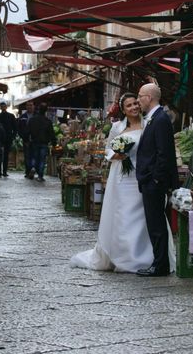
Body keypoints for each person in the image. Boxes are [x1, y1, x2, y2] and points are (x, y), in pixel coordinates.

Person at [70, 93, 175, 273]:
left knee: (144, 216)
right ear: (123, 110)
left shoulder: (147, 123)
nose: (134, 107)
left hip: (141, 175)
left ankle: (148, 255)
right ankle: (123, 254)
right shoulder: (117, 127)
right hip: (122, 177)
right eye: (129, 105)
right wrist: (117, 155)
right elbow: (108, 149)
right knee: (123, 214)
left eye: (136, 103)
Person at [135, 83, 179, 277]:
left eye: (140, 96)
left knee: (157, 224)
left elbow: (164, 154)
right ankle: (158, 261)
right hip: (150, 180)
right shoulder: (154, 118)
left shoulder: (160, 119)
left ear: (149, 98)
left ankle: (160, 265)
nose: (138, 100)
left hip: (154, 182)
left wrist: (156, 180)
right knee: (154, 224)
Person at [27, 103, 56, 182]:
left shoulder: (32, 119)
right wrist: (54, 143)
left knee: (34, 157)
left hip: (34, 141)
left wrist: (27, 139)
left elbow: (28, 131)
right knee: (42, 160)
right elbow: (51, 133)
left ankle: (33, 167)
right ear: (46, 111)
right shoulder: (48, 121)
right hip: (44, 143)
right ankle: (40, 176)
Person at [0, 101, 17, 177]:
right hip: (5, 138)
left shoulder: (0, 116)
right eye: (2, 106)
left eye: (3, 106)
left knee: (2, 155)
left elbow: (15, 128)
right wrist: (13, 136)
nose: (3, 108)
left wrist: (13, 136)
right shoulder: (9, 116)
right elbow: (15, 128)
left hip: (4, 138)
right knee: (4, 155)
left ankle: (2, 171)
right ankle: (3, 171)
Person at [18, 101, 35, 178]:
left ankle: (32, 169)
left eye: (31, 105)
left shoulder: (36, 116)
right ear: (26, 106)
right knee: (27, 156)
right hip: (26, 140)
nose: (29, 107)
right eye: (28, 105)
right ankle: (28, 171)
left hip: (35, 140)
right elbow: (19, 128)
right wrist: (23, 137)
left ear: (33, 106)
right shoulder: (23, 116)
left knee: (34, 156)